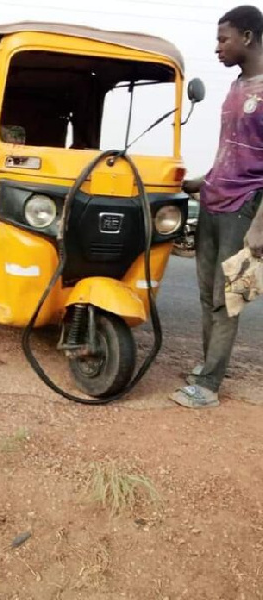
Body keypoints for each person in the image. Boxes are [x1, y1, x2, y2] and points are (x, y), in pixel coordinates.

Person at [170, 5, 263, 408]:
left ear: (247, 36)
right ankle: (208, 366)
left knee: (231, 297)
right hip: (213, 201)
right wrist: (201, 182)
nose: (217, 48)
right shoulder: (236, 87)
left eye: (223, 39)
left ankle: (208, 385)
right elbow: (232, 152)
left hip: (246, 208)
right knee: (208, 294)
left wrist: (260, 226)